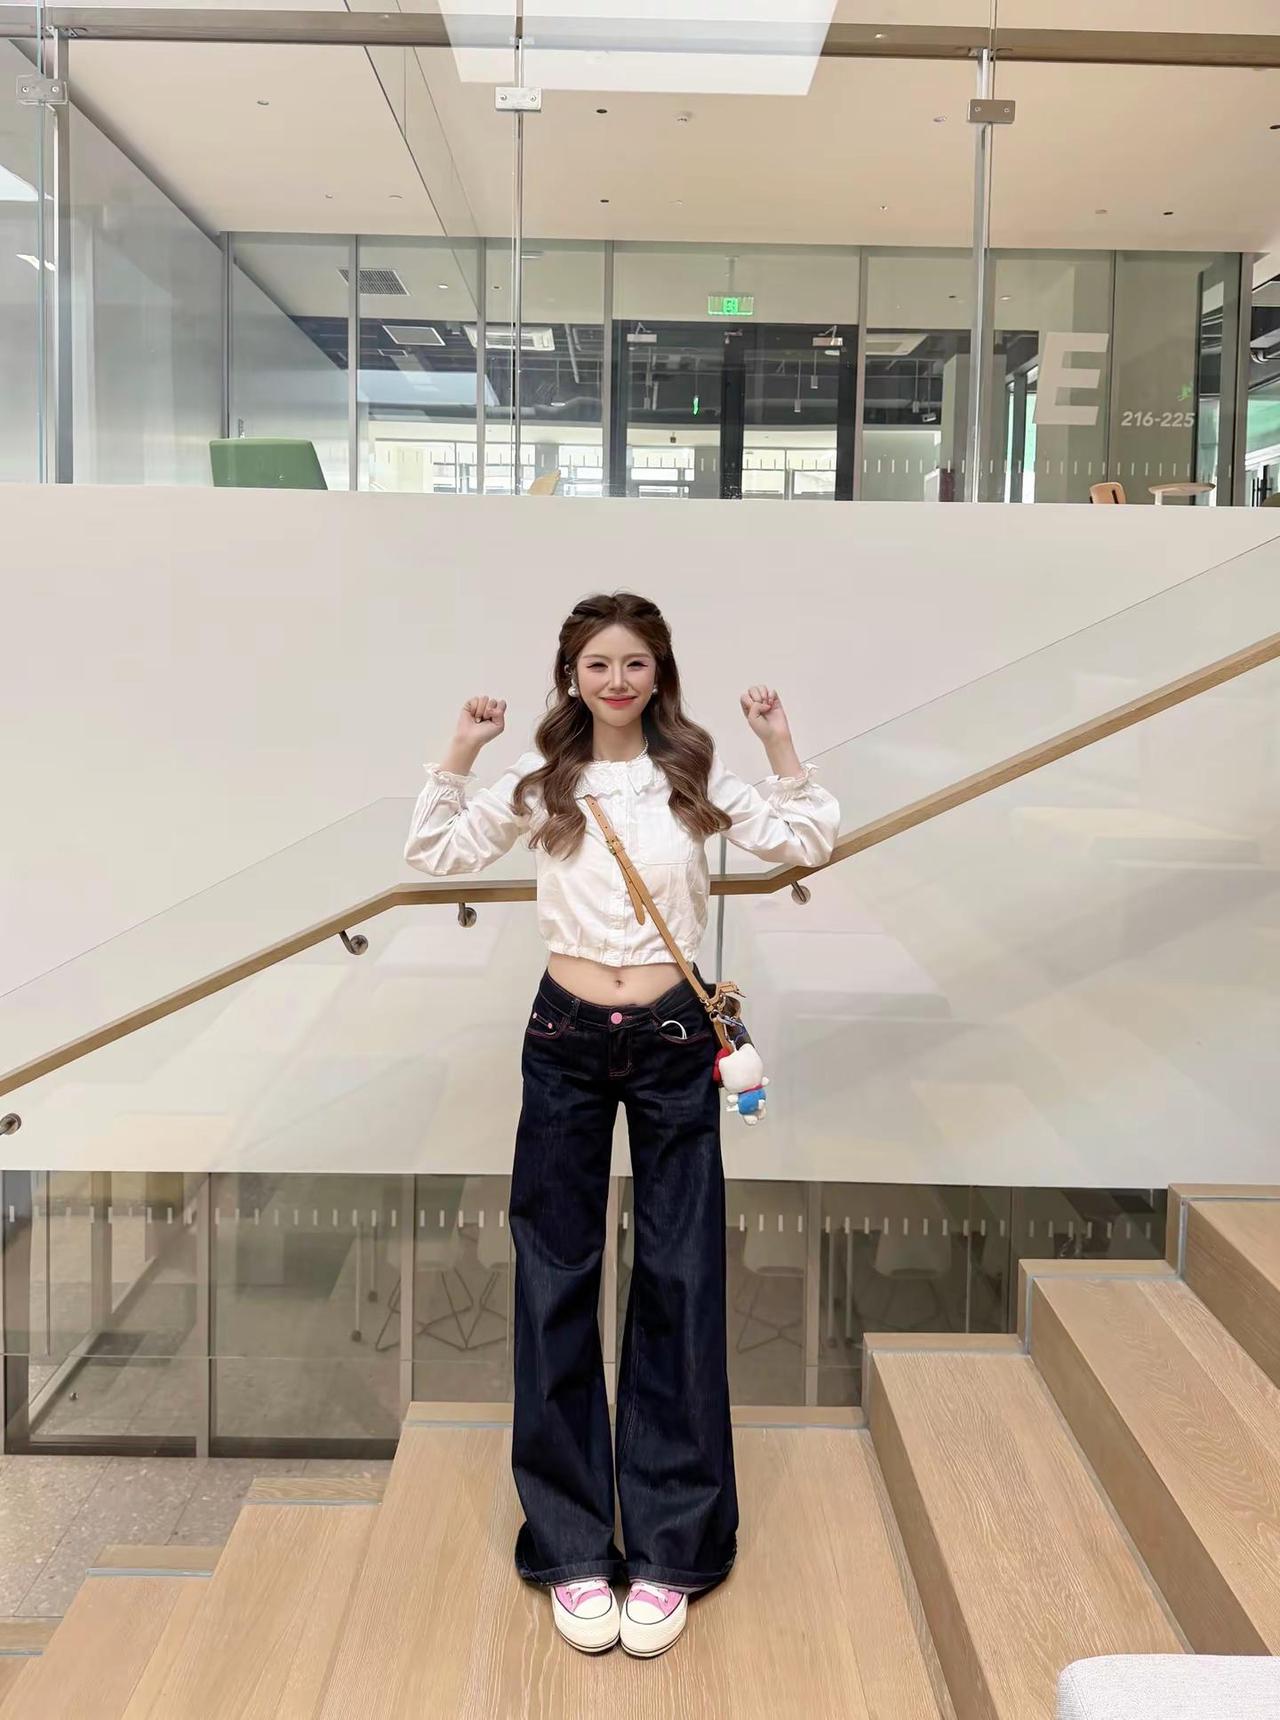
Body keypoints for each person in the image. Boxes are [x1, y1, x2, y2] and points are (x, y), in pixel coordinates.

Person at [402, 591, 840, 1659]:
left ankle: (672, 1545)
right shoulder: (543, 779)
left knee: (680, 1275)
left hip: (675, 1034)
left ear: (658, 673)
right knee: (553, 1276)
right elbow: (434, 851)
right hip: (562, 1035)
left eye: (634, 663)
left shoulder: (690, 770)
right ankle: (567, 1544)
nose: (615, 681)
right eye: (597, 663)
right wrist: (460, 749)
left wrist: (778, 740)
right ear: (571, 675)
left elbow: (807, 838)